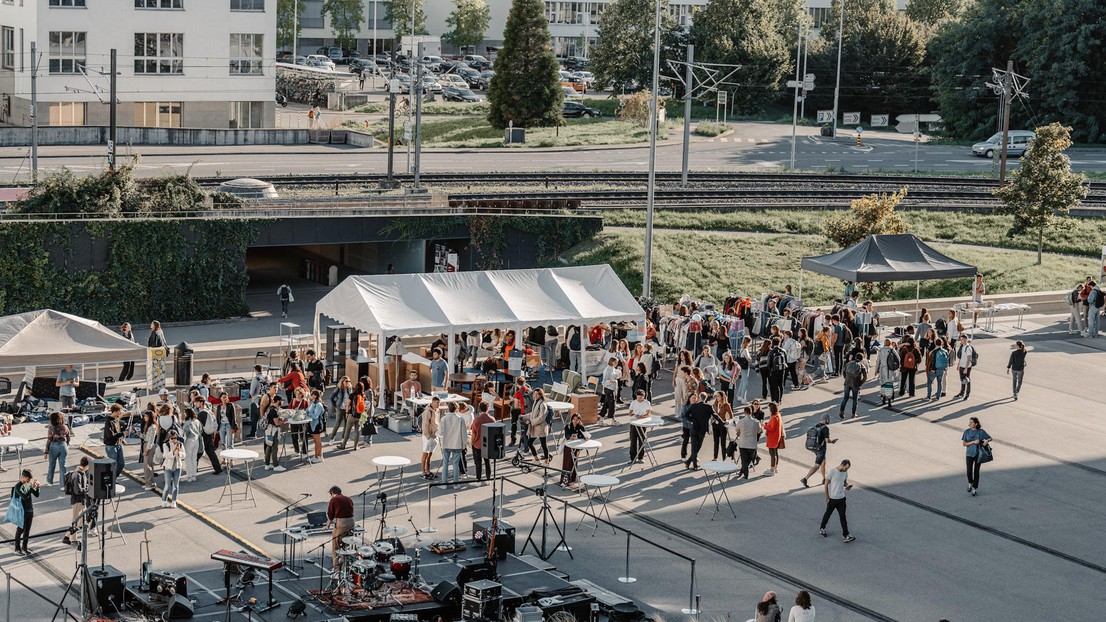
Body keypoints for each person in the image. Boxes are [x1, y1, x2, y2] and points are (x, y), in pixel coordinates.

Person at [819, 459, 855, 543]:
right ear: (842, 465)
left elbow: (844, 482)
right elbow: (826, 484)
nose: (846, 470)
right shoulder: (832, 471)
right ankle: (822, 528)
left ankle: (846, 535)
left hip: (841, 498)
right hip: (832, 499)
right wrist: (827, 497)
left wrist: (847, 486)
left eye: (847, 469)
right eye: (845, 468)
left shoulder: (845, 473)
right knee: (828, 514)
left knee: (843, 517)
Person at [801, 414, 837, 488]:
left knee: (823, 462)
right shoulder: (825, 428)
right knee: (817, 466)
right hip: (821, 449)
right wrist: (832, 441)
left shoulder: (816, 426)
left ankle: (824, 479)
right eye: (828, 419)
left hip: (814, 447)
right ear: (824, 419)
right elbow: (827, 440)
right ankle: (805, 478)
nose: (829, 420)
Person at [62, 457, 91, 546]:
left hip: (81, 501)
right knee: (75, 521)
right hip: (77, 501)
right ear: (87, 465)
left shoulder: (82, 473)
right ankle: (73, 540)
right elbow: (77, 490)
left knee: (80, 522)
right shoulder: (77, 474)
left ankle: (67, 537)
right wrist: (87, 489)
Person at [326, 485, 355, 570]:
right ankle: (345, 568)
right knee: (345, 546)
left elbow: (330, 516)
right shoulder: (348, 499)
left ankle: (337, 570)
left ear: (332, 493)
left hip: (342, 523)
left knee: (336, 547)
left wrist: (327, 525)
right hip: (351, 522)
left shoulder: (334, 500)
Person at [11, 469, 40, 554]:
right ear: (23, 477)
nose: (29, 481)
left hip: (30, 510)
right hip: (22, 511)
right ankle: (17, 548)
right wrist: (31, 489)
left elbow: (37, 495)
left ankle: (25, 547)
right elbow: (24, 496)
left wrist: (37, 487)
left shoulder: (29, 484)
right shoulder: (18, 486)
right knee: (20, 529)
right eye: (28, 479)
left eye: (30, 479)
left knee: (27, 530)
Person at [962, 416, 992, 496]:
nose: (969, 424)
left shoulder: (981, 432)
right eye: (969, 422)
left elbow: (990, 438)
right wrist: (973, 442)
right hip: (969, 453)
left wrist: (986, 440)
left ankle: (974, 488)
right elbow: (964, 444)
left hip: (978, 454)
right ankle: (970, 482)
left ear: (976, 424)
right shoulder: (966, 432)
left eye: (971, 422)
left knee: (976, 472)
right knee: (969, 471)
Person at [194, 398, 223, 475]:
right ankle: (218, 468)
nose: (195, 404)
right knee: (210, 452)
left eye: (196, 402)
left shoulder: (202, 414)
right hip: (209, 434)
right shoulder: (209, 411)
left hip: (203, 435)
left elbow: (198, 426)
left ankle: (193, 469)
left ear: (201, 402)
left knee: (198, 452)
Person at [684, 392, 712, 471]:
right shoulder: (708, 407)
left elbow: (686, 415)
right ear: (705, 399)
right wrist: (722, 422)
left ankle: (689, 461)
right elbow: (715, 415)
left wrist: (692, 420)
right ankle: (695, 465)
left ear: (699, 398)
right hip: (702, 430)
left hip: (694, 428)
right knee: (698, 446)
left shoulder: (694, 406)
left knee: (694, 447)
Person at [471, 402, 496, 482]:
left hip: (478, 444)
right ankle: (488, 478)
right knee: (487, 462)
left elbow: (474, 433)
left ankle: (478, 478)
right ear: (487, 408)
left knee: (478, 463)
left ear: (479, 408)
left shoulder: (476, 420)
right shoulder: (492, 419)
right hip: (488, 445)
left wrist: (472, 442)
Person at [733, 405, 760, 479]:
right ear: (751, 412)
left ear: (744, 412)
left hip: (743, 443)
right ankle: (743, 472)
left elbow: (736, 430)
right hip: (752, 444)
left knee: (744, 460)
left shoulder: (741, 422)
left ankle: (744, 473)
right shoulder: (756, 422)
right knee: (749, 459)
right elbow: (759, 431)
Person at [45, 411, 71, 486]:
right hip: (63, 445)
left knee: (52, 464)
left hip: (54, 446)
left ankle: (49, 481)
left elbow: (49, 439)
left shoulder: (51, 428)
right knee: (63, 466)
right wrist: (67, 444)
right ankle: (63, 485)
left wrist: (46, 451)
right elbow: (68, 437)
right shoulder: (65, 427)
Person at [526, 389, 552, 462]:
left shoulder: (542, 404)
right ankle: (537, 457)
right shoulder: (536, 402)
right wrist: (524, 416)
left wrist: (531, 422)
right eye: (534, 394)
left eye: (537, 394)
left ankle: (546, 459)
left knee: (543, 444)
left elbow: (541, 418)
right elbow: (533, 414)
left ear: (540, 395)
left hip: (541, 427)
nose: (535, 395)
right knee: (535, 443)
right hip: (537, 427)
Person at [102, 404, 126, 481]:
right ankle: (111, 479)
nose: (120, 413)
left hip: (118, 444)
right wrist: (123, 434)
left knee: (121, 464)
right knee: (113, 464)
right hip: (111, 445)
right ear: (115, 411)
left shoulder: (116, 420)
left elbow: (117, 431)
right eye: (119, 411)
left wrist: (121, 439)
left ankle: (113, 478)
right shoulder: (108, 421)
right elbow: (110, 435)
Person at [160, 430, 184, 508]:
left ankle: (174, 501)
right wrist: (173, 451)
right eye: (172, 438)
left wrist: (180, 453)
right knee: (167, 485)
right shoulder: (165, 445)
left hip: (177, 467)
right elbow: (166, 455)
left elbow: (184, 455)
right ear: (169, 438)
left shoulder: (180, 444)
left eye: (175, 438)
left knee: (176, 485)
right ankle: (164, 500)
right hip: (168, 467)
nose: (173, 440)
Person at [628, 390, 652, 464]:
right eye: (638, 397)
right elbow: (630, 413)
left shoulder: (647, 403)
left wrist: (641, 416)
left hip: (642, 423)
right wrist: (633, 414)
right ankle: (632, 458)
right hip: (634, 423)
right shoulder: (633, 402)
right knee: (633, 441)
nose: (639, 399)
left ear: (643, 397)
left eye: (640, 397)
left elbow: (648, 414)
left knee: (642, 440)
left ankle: (640, 457)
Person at [838, 353, 866, 419]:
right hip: (855, 384)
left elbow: (844, 371)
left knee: (845, 398)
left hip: (847, 383)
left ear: (855, 357)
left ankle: (841, 411)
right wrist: (860, 383)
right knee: (854, 400)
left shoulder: (849, 363)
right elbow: (865, 377)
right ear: (862, 359)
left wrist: (846, 378)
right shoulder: (861, 366)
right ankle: (853, 414)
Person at [263, 395, 286, 472]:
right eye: (281, 401)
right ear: (278, 401)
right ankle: (276, 465)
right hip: (273, 431)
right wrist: (283, 421)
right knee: (274, 447)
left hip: (268, 431)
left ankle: (267, 464)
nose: (282, 402)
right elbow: (277, 423)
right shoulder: (274, 411)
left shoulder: (270, 409)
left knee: (269, 446)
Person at [420, 397, 440, 479]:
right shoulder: (427, 412)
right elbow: (425, 425)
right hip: (428, 436)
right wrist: (428, 436)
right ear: (432, 402)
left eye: (439, 403)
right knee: (425, 454)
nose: (438, 404)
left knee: (430, 454)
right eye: (437, 402)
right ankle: (423, 472)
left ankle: (428, 471)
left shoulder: (437, 410)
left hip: (435, 436)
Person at [328, 376, 353, 443]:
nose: (348, 383)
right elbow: (331, 397)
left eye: (349, 381)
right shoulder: (338, 389)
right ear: (342, 382)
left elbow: (351, 398)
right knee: (337, 424)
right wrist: (335, 405)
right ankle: (332, 438)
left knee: (346, 424)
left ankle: (343, 438)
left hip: (347, 409)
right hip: (340, 408)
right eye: (346, 381)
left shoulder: (350, 389)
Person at [875, 338, 898, 408]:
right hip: (890, 370)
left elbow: (878, 361)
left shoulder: (880, 350)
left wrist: (876, 370)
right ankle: (889, 401)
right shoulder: (892, 350)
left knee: (883, 384)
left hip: (883, 369)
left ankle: (883, 399)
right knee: (889, 385)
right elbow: (898, 359)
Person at [710, 392, 733, 461]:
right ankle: (715, 457)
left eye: (718, 396)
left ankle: (724, 458)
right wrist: (712, 419)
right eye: (716, 396)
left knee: (723, 443)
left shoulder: (726, 405)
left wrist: (728, 421)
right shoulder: (715, 404)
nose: (716, 397)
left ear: (722, 397)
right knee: (716, 441)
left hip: (723, 425)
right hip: (715, 424)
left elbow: (731, 416)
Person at [764, 402, 784, 475]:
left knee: (772, 453)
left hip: (772, 438)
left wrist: (764, 426)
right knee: (775, 453)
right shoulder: (778, 415)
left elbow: (771, 429)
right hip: (777, 437)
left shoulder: (773, 417)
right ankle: (775, 467)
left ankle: (772, 469)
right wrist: (767, 424)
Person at [181, 408, 202, 481]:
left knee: (188, 458)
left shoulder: (187, 423)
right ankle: (194, 475)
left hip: (189, 440)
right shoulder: (197, 421)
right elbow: (201, 431)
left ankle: (189, 476)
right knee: (194, 458)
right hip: (196, 440)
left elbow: (184, 433)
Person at [139, 410, 158, 489]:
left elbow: (151, 440)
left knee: (147, 466)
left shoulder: (152, 427)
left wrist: (146, 450)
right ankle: (150, 482)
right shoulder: (149, 426)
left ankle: (150, 484)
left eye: (146, 416)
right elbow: (145, 437)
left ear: (149, 417)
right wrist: (137, 433)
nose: (144, 418)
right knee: (148, 465)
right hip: (146, 444)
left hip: (148, 446)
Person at [306, 390, 325, 463]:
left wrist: (309, 414)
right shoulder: (312, 403)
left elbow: (315, 415)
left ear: (315, 396)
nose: (310, 396)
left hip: (317, 424)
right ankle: (319, 456)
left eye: (311, 394)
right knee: (316, 441)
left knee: (318, 442)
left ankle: (318, 456)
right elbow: (307, 410)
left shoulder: (318, 405)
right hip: (313, 424)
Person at [509, 377, 529, 447]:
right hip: (514, 409)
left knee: (523, 425)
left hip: (523, 409)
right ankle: (513, 440)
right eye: (519, 384)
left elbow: (529, 397)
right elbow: (510, 396)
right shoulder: (514, 387)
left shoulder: (527, 387)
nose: (520, 386)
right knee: (513, 424)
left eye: (521, 384)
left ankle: (523, 440)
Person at [956, 335, 975, 400]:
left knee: (967, 380)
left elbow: (968, 358)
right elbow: (961, 357)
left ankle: (967, 394)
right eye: (960, 339)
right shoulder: (962, 346)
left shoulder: (968, 347)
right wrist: (958, 364)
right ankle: (962, 393)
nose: (961, 341)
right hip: (962, 365)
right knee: (962, 380)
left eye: (962, 339)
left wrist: (966, 368)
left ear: (965, 339)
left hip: (966, 366)